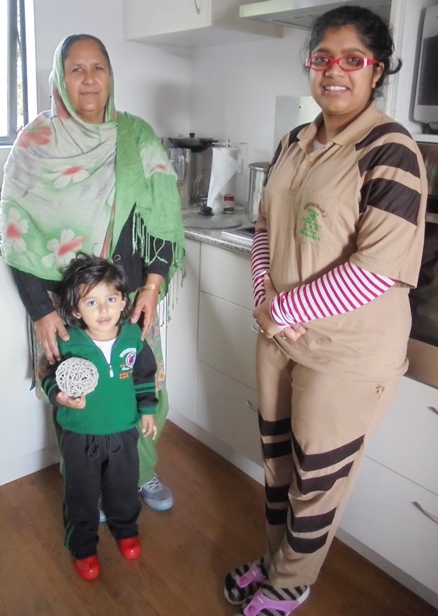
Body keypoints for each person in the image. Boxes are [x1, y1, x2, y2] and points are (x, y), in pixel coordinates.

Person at [224, 6, 428, 616]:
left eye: (352, 59)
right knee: (278, 464)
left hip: (345, 353)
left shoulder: (391, 149)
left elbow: (376, 268)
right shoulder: (294, 140)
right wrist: (265, 298)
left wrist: (282, 308)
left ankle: (291, 583)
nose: (334, 71)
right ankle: (275, 561)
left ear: (377, 69)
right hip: (281, 335)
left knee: (317, 480)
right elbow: (265, 225)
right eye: (322, 58)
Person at [0, 34, 185, 512]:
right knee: (76, 392)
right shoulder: (35, 144)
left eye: (97, 67)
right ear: (60, 78)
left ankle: (139, 471)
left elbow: (164, 220)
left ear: (110, 75)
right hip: (67, 308)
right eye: (76, 68)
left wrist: (152, 286)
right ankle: (87, 485)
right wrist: (41, 312)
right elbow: (18, 238)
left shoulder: (137, 137)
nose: (88, 79)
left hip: (128, 301)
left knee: (141, 385)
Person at [41, 253, 158, 580]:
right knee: (81, 495)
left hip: (123, 432)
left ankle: (126, 529)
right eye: (91, 302)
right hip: (80, 435)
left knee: (124, 488)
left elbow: (144, 376)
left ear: (123, 301)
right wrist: (59, 395)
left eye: (111, 299)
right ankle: (82, 546)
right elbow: (50, 377)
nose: (103, 309)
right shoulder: (68, 342)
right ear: (77, 310)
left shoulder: (133, 337)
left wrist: (147, 410)